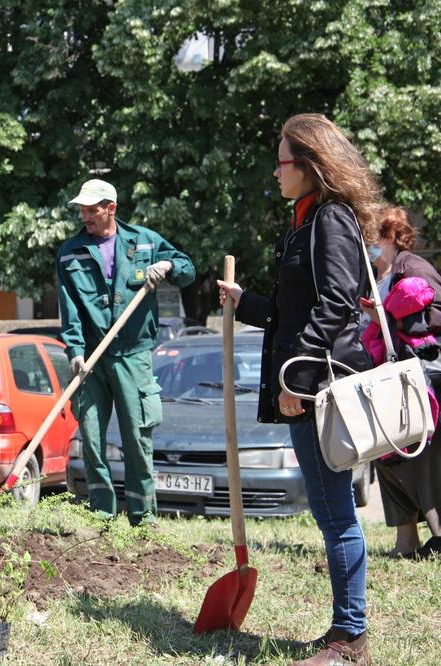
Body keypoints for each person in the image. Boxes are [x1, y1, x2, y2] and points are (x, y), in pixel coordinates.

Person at [217, 114, 379, 665]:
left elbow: (338, 302)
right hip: (311, 386)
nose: (276, 170)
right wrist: (245, 301)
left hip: (321, 390)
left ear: (309, 165)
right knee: (332, 513)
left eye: (282, 160)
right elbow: (293, 310)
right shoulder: (305, 222)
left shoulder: (330, 219)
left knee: (336, 515)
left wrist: (299, 378)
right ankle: (344, 629)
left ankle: (350, 639)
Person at [57, 178, 195, 526]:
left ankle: (142, 516)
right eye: (83, 211)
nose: (86, 217)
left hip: (133, 355)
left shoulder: (144, 241)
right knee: (90, 437)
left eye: (92, 210)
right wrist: (74, 352)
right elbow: (69, 308)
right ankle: (102, 514)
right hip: (90, 357)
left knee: (136, 437)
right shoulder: (70, 252)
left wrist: (167, 266)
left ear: (111, 209)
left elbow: (188, 269)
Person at [364, 206, 441, 559]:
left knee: (419, 457)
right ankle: (405, 540)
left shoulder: (413, 268)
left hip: (418, 379)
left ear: (392, 236)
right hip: (386, 377)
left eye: (374, 237)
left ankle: (438, 536)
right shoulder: (377, 274)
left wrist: (393, 316)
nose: (369, 245)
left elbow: (432, 313)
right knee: (387, 454)